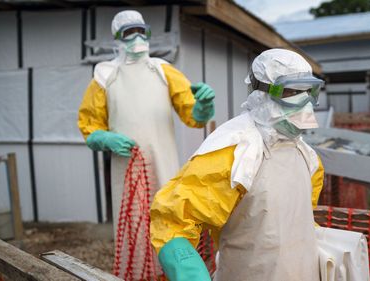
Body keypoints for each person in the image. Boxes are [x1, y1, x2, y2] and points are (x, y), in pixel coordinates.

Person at [150, 48, 325, 281]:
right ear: (261, 92)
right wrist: (187, 269)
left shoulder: (306, 156)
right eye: (291, 91)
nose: (303, 102)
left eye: (308, 91)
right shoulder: (236, 149)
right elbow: (173, 218)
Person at [77, 10, 215, 278]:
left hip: (164, 162)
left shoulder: (163, 71)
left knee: (169, 219)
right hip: (127, 167)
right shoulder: (105, 75)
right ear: (117, 38)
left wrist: (204, 106)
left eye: (142, 31)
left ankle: (170, 274)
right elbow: (89, 124)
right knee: (134, 225)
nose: (137, 38)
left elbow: (192, 115)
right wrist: (102, 138)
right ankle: (137, 274)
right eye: (129, 33)